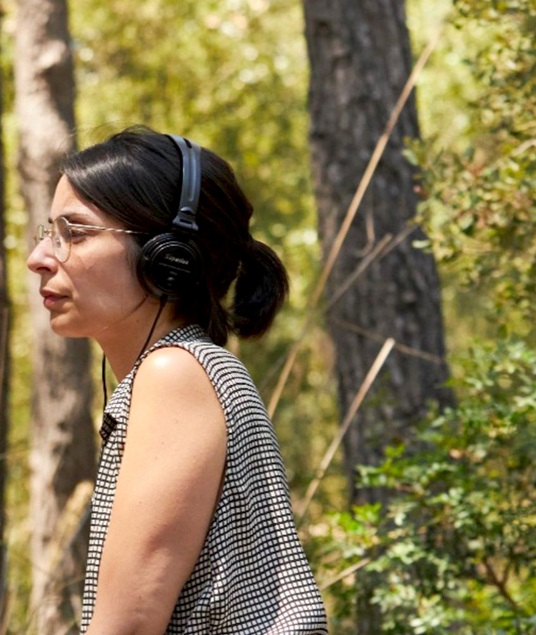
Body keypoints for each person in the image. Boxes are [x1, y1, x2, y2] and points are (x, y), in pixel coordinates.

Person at [26, 127, 328, 634]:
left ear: (168, 257)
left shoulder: (174, 375)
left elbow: (128, 628)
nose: (39, 258)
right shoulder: (187, 371)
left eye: (74, 233)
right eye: (47, 233)